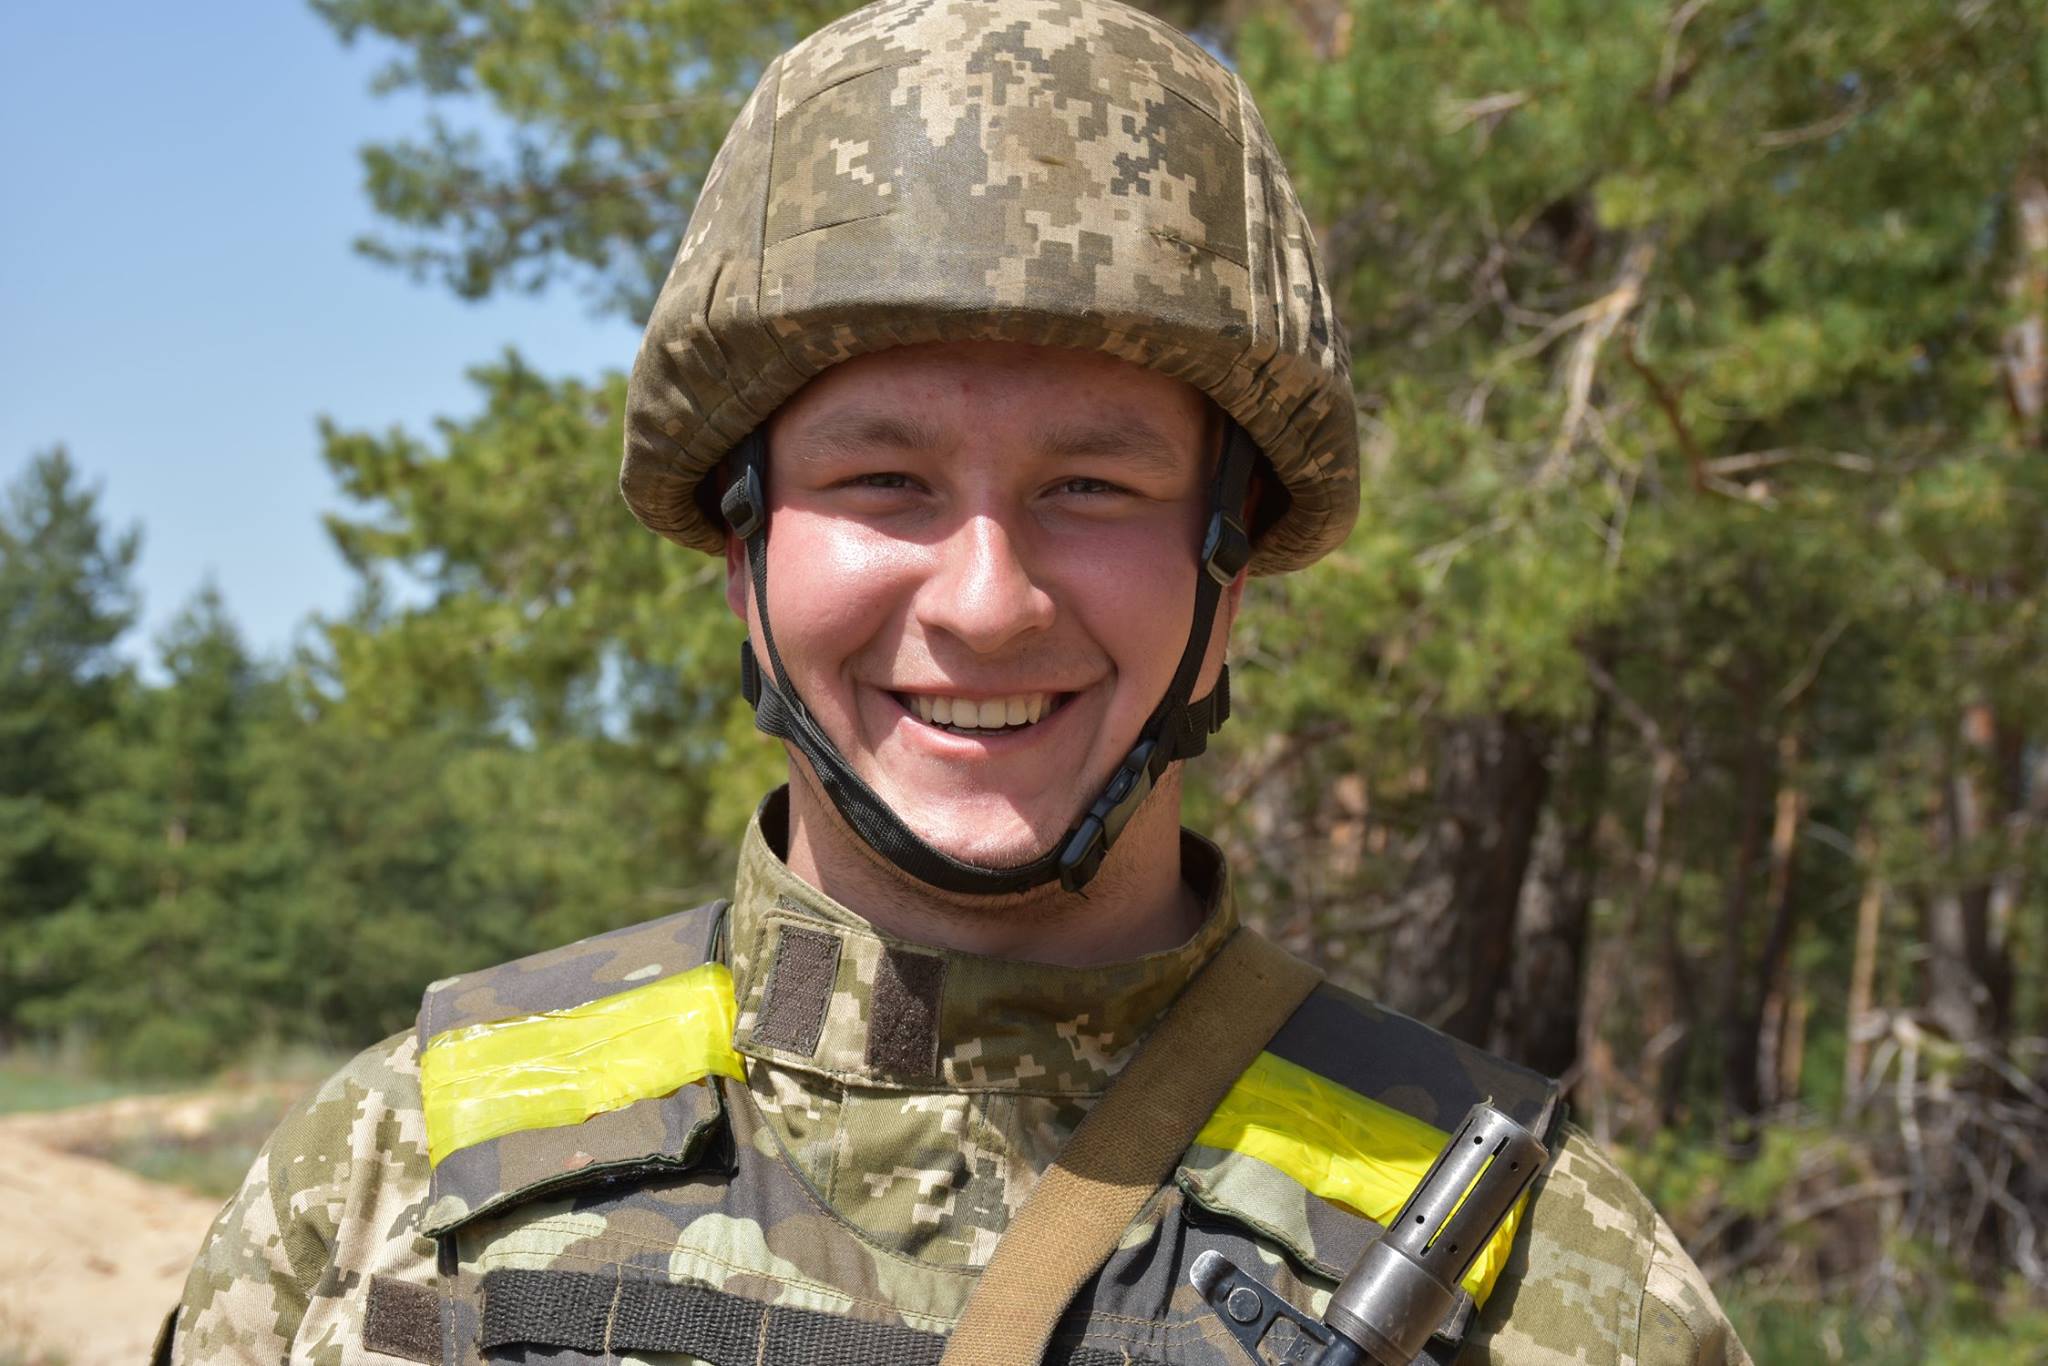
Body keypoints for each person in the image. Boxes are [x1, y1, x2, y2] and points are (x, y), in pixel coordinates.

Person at [162, 1, 1751, 1362]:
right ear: (744, 556)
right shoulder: (396, 1173)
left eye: (1093, 486)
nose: (987, 603)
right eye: (884, 482)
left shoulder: (1536, 1272)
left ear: (1229, 569)